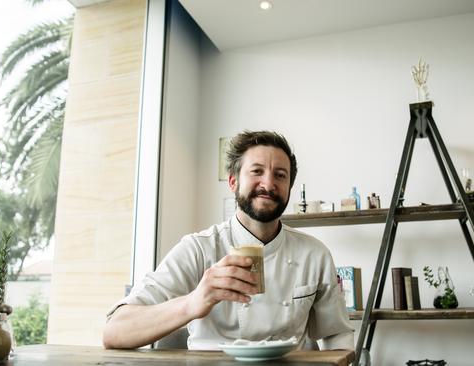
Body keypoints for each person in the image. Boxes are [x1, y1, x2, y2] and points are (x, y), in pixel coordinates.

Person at [102, 130, 353, 350]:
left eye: (280, 175)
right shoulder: (198, 249)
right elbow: (115, 331)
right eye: (257, 171)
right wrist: (193, 302)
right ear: (233, 181)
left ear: (289, 188)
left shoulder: (314, 254)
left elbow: (336, 335)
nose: (268, 183)